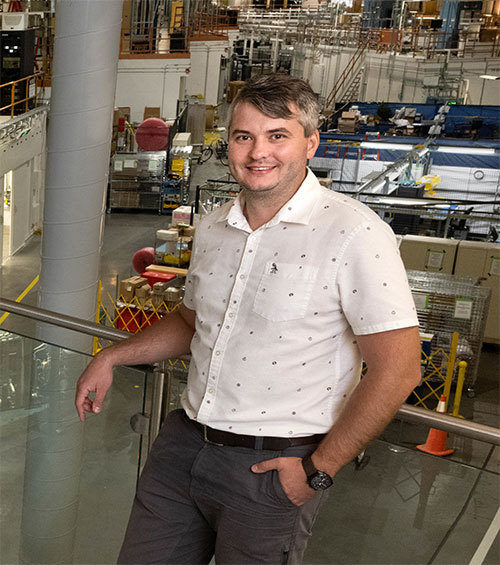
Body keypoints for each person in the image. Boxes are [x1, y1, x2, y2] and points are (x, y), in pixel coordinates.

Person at [75, 74, 421, 564]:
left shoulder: (354, 233)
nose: (259, 152)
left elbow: (399, 371)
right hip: (183, 444)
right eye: (244, 136)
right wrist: (114, 355)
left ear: (310, 143)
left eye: (277, 135)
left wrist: (317, 471)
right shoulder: (216, 226)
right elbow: (193, 321)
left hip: (274, 467)